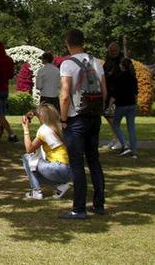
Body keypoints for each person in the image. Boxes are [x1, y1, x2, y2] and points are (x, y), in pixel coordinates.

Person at [59, 29, 107, 219]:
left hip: (75, 117)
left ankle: (79, 208)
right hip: (94, 116)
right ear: (83, 42)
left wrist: (63, 120)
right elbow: (104, 90)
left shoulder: (67, 64)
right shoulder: (96, 62)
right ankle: (99, 203)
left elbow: (64, 95)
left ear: (67, 43)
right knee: (94, 160)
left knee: (77, 164)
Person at [21, 103, 72, 200]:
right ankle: (61, 186)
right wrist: (34, 113)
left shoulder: (44, 130)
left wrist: (26, 129)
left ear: (42, 117)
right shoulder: (60, 125)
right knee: (35, 168)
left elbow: (29, 149)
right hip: (69, 170)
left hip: (57, 168)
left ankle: (36, 191)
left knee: (27, 158)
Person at [111, 58, 139, 158]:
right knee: (131, 128)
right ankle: (134, 151)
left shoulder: (118, 77)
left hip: (121, 105)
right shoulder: (133, 77)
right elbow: (136, 93)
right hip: (132, 105)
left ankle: (125, 145)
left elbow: (114, 95)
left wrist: (109, 105)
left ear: (122, 66)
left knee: (115, 125)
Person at [102, 42, 124, 149]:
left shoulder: (121, 61)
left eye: (114, 51)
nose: (112, 53)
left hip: (117, 94)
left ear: (118, 50)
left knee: (113, 118)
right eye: (111, 51)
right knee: (108, 115)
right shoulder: (108, 61)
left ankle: (119, 140)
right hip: (108, 91)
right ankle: (115, 138)